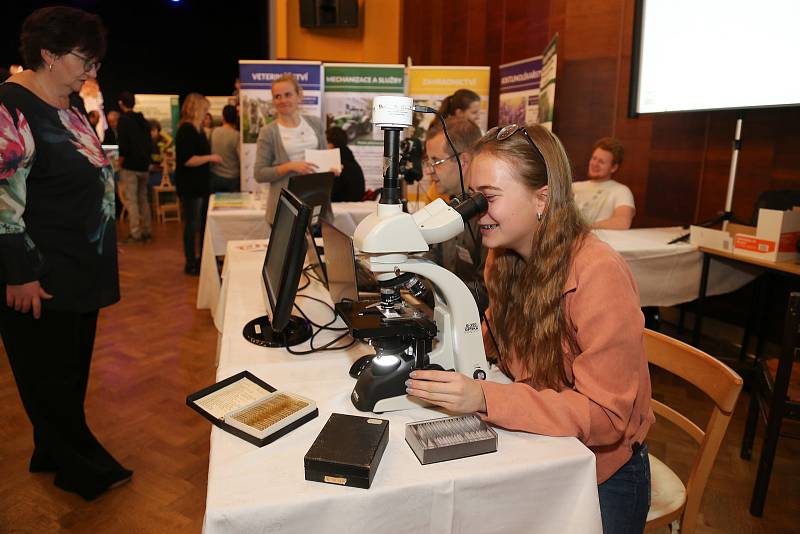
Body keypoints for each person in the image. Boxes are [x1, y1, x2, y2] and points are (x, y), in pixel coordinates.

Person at [405, 124, 654, 533]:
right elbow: (494, 339)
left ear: (541, 198)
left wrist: (485, 397)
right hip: (546, 444)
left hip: (600, 472)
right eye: (472, 197)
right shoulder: (502, 258)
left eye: (488, 198)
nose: (475, 211)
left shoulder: (598, 273)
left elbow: (607, 416)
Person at [0, 6, 132, 500]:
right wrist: (18, 273)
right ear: (49, 55)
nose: (93, 71)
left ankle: (50, 450)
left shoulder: (69, 104)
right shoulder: (9, 107)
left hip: (79, 266)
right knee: (47, 375)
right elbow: (1, 200)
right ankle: (81, 464)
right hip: (38, 270)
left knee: (69, 370)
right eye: (85, 59)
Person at [423, 117, 486, 302]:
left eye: (436, 161)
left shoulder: (488, 217)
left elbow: (485, 293)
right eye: (428, 162)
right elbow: (433, 259)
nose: (429, 171)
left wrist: (429, 289)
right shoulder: (449, 207)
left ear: (463, 161)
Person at [253, 73, 326, 224]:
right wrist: (290, 166)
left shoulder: (315, 124)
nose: (283, 100)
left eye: (288, 94)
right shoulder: (269, 132)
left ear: (299, 96)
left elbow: (325, 158)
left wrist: (333, 168)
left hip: (315, 203)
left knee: (318, 247)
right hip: (285, 209)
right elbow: (260, 174)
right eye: (277, 96)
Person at [175, 93, 222, 275]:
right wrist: (211, 157)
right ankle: (191, 262)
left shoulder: (198, 129)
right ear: (196, 109)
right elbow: (187, 160)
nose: (206, 113)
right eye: (204, 109)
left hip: (201, 185)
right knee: (192, 225)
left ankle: (204, 260)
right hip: (190, 186)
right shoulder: (186, 130)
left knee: (202, 223)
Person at [572, 137, 635, 229]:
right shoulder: (573, 186)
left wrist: (584, 228)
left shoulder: (621, 191)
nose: (595, 164)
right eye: (594, 158)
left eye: (601, 162)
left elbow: (623, 222)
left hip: (600, 241)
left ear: (614, 168)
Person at [117, 91, 154, 242]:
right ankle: (147, 230)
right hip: (144, 166)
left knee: (132, 200)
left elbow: (124, 146)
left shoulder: (124, 121)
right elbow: (149, 143)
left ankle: (135, 232)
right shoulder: (143, 120)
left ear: (121, 103)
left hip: (130, 166)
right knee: (143, 199)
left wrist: (120, 161)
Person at [325, 126, 364, 202]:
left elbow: (331, 192)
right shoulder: (347, 157)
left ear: (332, 143)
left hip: (344, 202)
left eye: (326, 142)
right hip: (355, 199)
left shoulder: (337, 160)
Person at [210, 104, 241, 192]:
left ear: (223, 117)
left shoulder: (214, 131)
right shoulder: (237, 136)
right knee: (232, 205)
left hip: (215, 176)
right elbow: (241, 159)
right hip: (232, 178)